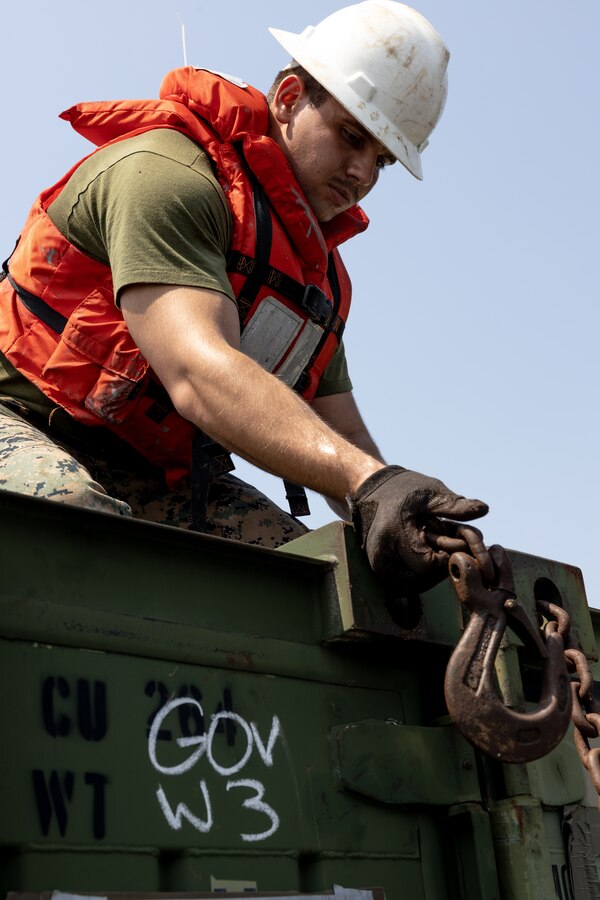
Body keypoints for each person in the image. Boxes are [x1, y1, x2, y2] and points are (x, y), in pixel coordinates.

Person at [0, 0, 491, 592]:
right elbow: (199, 372)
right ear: (287, 99)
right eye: (351, 136)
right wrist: (366, 481)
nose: (362, 173)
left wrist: (393, 503)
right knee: (77, 527)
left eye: (382, 159)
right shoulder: (168, 175)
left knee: (319, 581)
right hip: (23, 419)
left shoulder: (317, 284)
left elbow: (342, 436)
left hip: (162, 475)